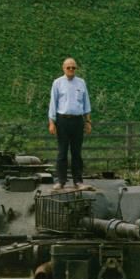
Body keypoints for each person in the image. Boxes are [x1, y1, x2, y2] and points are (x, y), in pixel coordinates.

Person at [48, 57, 92, 189]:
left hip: (78, 121)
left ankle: (78, 181)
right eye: (68, 67)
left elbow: (86, 103)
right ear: (63, 68)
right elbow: (53, 103)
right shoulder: (57, 83)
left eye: (73, 67)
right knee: (62, 152)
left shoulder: (81, 83)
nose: (71, 70)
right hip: (62, 121)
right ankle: (61, 181)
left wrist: (88, 121)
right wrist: (51, 122)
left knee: (76, 152)